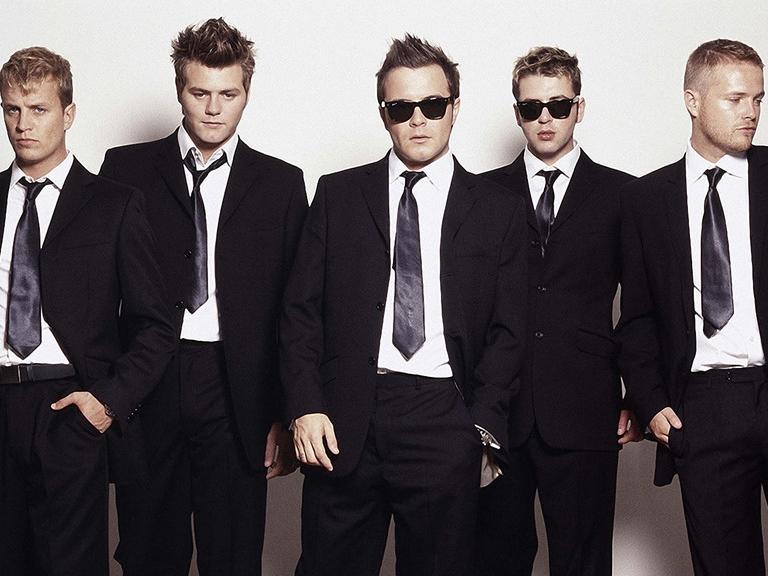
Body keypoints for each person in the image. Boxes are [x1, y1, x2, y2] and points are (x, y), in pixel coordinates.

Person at [280, 34, 527, 576]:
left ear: (455, 108)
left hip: (445, 418)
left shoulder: (499, 210)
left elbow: (510, 331)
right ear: (383, 115)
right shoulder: (338, 195)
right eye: (401, 108)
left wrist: (479, 428)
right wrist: (305, 405)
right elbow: (300, 314)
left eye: (432, 105)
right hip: (345, 416)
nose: (418, 119)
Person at [99, 18, 307, 576]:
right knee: (148, 553)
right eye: (199, 93)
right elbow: (99, 294)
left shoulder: (282, 185)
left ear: (247, 92)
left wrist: (282, 413)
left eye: (228, 94)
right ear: (179, 90)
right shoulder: (125, 170)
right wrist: (108, 394)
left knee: (233, 556)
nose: (213, 109)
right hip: (149, 382)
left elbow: (295, 312)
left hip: (237, 392)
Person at [0, 46, 175, 576]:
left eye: (39, 109)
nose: (23, 124)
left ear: (68, 113)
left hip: (67, 408)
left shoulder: (113, 204)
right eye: (12, 109)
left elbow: (156, 325)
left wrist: (107, 402)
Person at [478, 46, 640, 576]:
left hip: (587, 408)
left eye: (558, 105)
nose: (545, 118)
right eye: (531, 108)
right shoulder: (482, 194)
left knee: (583, 563)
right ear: (517, 113)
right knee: (496, 560)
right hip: (501, 410)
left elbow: (643, 307)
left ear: (579, 107)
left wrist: (638, 396)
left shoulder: (623, 194)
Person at [617, 39, 767, 575]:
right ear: (693, 101)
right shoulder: (647, 200)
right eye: (735, 99)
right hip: (704, 406)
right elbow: (637, 319)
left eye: (758, 98)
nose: (751, 112)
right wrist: (651, 401)